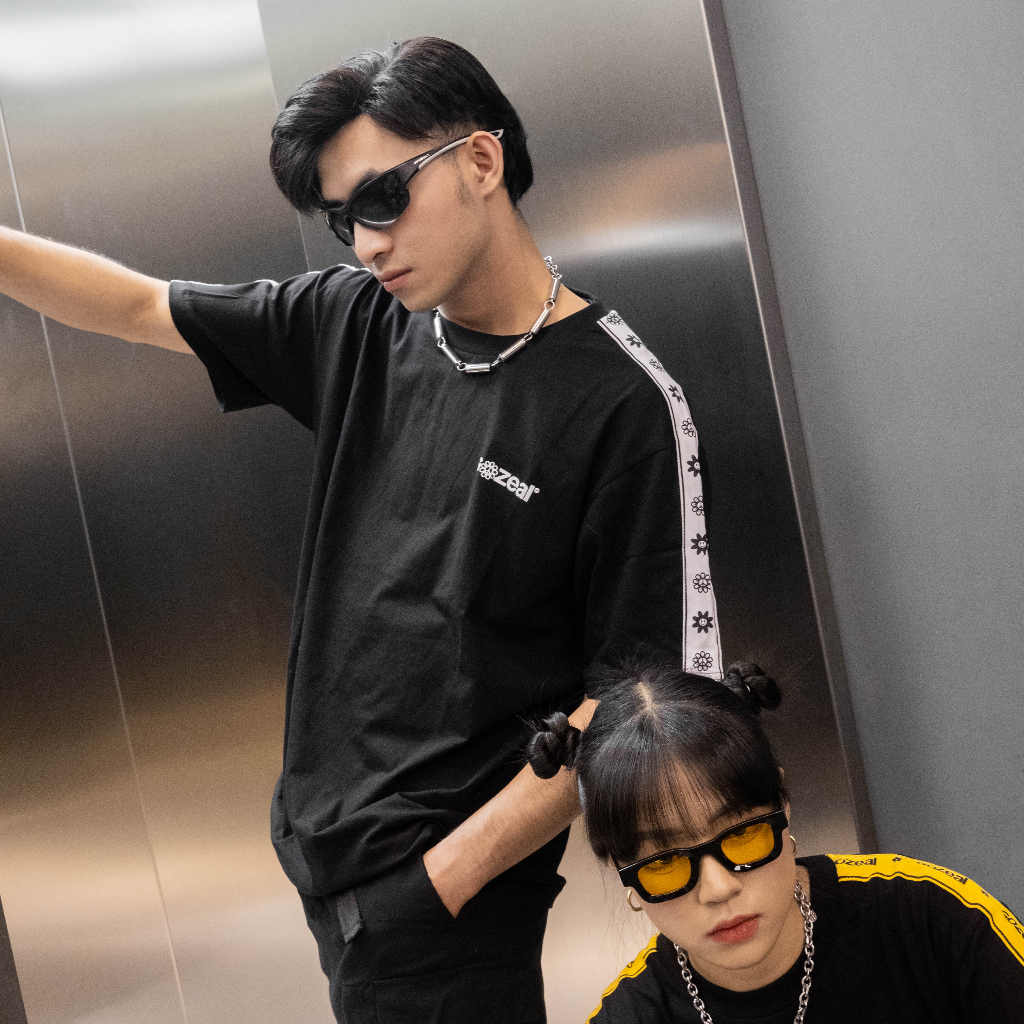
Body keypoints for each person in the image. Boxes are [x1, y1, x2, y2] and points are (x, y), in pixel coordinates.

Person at [0, 36, 724, 1023]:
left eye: (384, 199)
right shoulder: (358, 323)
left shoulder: (621, 402)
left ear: (480, 160)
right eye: (344, 219)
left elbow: (637, 702)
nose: (367, 244)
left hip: (444, 912)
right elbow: (137, 306)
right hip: (331, 871)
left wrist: (440, 882)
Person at [527, 661, 1024, 1023]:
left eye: (742, 835)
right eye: (666, 862)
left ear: (783, 806)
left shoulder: (932, 919)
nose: (718, 888)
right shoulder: (630, 1015)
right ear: (624, 872)